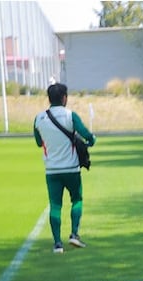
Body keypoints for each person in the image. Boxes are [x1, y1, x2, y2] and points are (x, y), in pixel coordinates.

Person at [33, 83, 96, 254]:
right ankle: (74, 234)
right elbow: (87, 135)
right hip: (71, 168)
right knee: (77, 199)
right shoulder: (70, 116)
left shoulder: (39, 118)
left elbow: (39, 142)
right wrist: (90, 141)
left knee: (55, 205)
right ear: (64, 98)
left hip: (52, 170)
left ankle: (57, 244)